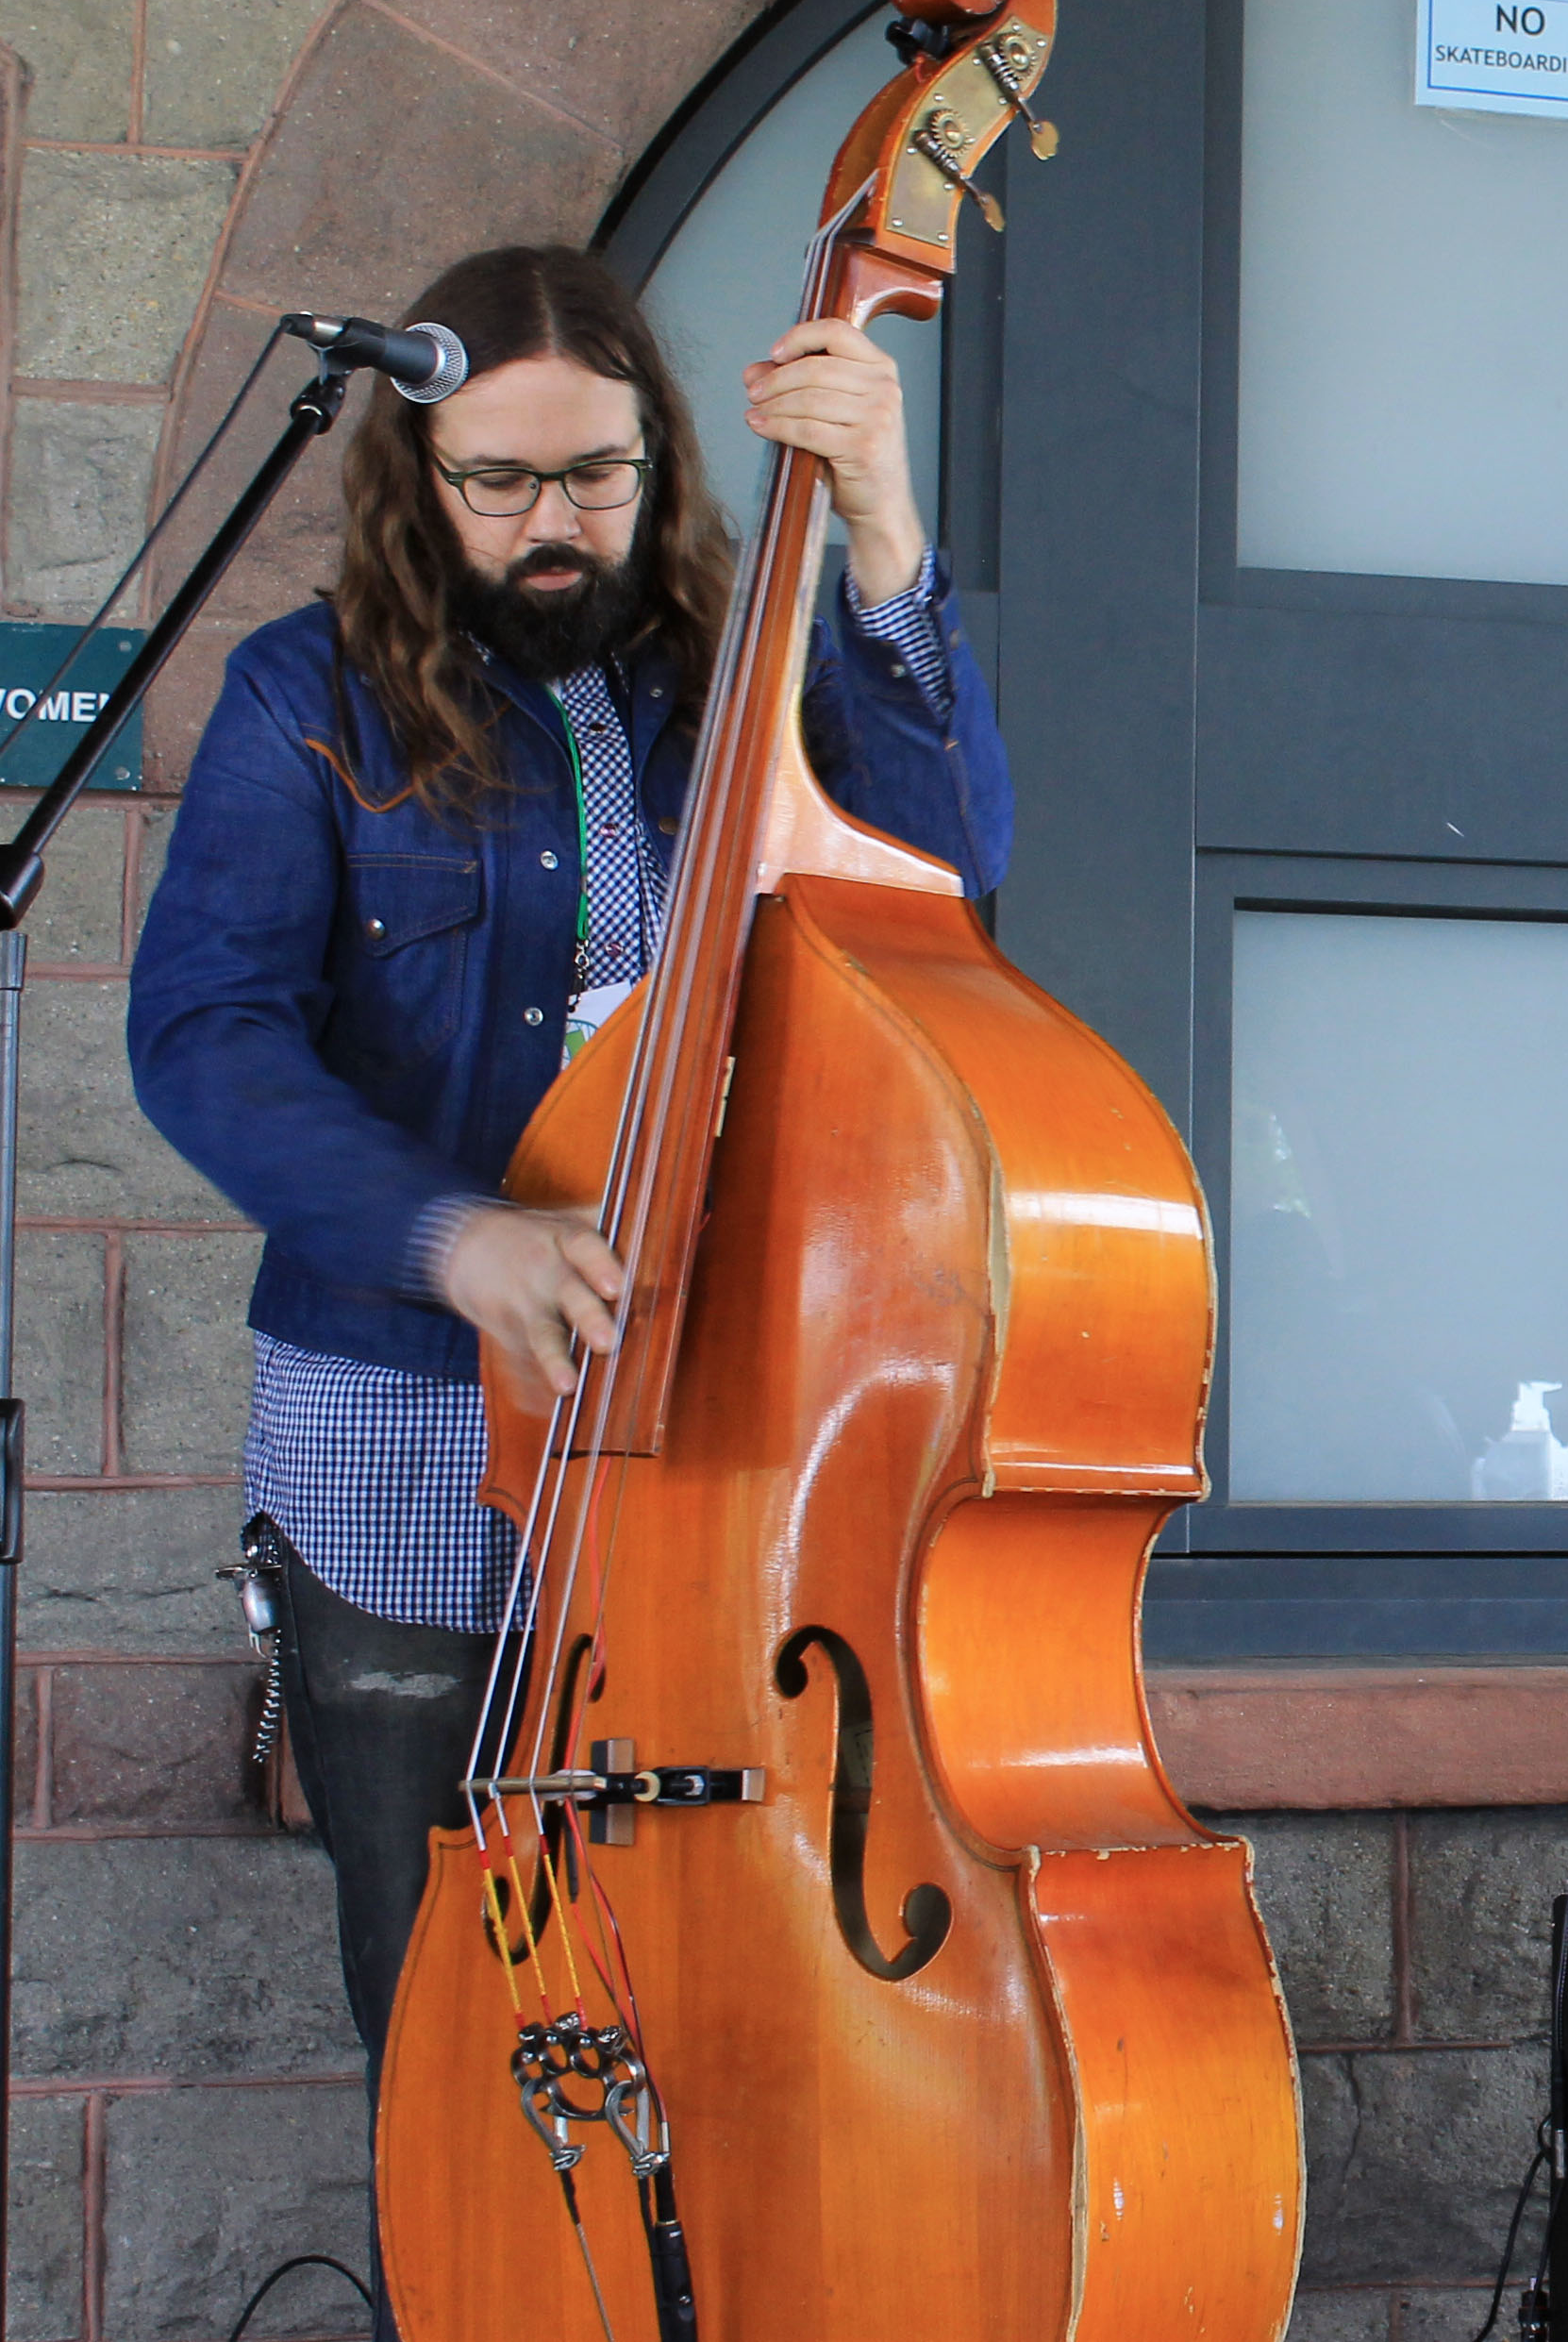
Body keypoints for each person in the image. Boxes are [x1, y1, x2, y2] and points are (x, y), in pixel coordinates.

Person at [127, 243, 1010, 2333]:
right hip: (405, 1423)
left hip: (713, 1447)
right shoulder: (304, 693)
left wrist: (881, 525)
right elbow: (208, 1033)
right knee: (446, 1986)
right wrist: (461, 1234)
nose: (550, 530)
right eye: (496, 486)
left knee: (740, 1964)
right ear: (416, 473)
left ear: (658, 449)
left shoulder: (740, 667)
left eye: (595, 480)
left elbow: (950, 885)